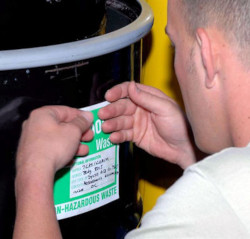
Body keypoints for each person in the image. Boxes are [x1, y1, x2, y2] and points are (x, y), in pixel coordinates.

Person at [13, 0, 250, 238]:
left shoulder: (197, 211)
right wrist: (189, 153)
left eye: (174, 45)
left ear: (205, 55)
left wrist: (33, 171)